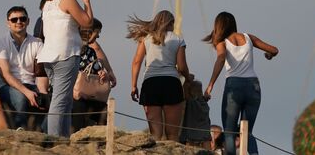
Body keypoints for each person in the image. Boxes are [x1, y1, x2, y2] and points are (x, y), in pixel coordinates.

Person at [203, 12, 279, 155]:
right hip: (253, 86)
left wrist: (210, 86)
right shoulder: (248, 37)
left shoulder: (222, 42)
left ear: (218, 27)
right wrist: (269, 55)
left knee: (230, 132)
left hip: (234, 85)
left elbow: (220, 59)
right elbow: (274, 50)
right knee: (247, 131)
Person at [36, 0, 93, 137]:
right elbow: (87, 22)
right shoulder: (67, 0)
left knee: (65, 99)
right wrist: (87, 1)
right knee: (60, 101)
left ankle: (63, 138)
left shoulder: (48, 2)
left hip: (49, 56)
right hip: (66, 54)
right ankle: (54, 139)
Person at [128, 10, 191, 141]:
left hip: (150, 84)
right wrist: (189, 78)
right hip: (171, 83)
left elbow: (136, 62)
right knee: (172, 134)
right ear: (171, 23)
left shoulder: (146, 38)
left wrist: (134, 85)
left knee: (155, 134)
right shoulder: (178, 39)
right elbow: (182, 66)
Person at [0, 6, 49, 130]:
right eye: (14, 20)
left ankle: (42, 134)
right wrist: (27, 92)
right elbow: (6, 75)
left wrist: (43, 93)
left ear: (28, 21)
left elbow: (41, 73)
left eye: (22, 18)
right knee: (20, 98)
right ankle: (19, 131)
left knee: (49, 100)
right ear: (8, 23)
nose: (19, 22)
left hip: (31, 84)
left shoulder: (37, 43)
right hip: (7, 86)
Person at [72, 18, 116, 132]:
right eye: (97, 33)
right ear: (89, 32)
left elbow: (96, 69)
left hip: (87, 94)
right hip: (72, 94)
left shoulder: (90, 52)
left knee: (103, 110)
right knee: (79, 106)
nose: (98, 37)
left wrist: (102, 74)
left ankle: (102, 138)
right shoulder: (70, 49)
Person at [180, 74, 212, 148]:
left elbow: (185, 93)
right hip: (204, 130)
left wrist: (187, 80)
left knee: (190, 147)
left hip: (191, 131)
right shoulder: (204, 102)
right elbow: (203, 98)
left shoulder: (191, 102)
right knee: (206, 142)